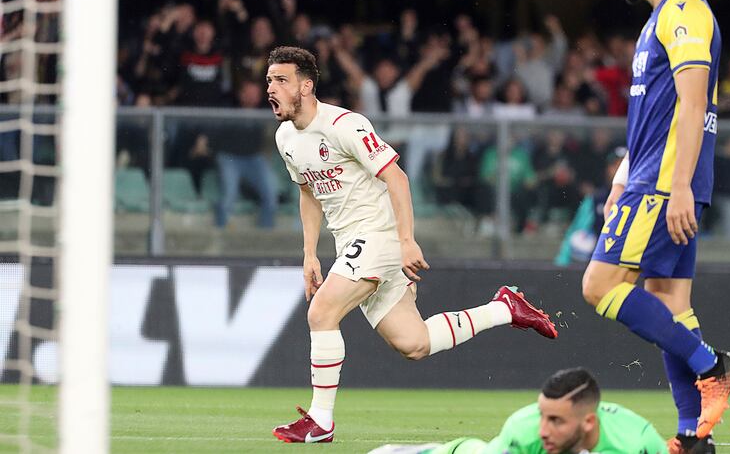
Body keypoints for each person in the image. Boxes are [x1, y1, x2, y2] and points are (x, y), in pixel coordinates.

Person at [267, 46, 558, 443]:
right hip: (351, 243)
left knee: (322, 313)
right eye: (269, 80)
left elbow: (397, 178)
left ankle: (321, 420)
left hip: (380, 237)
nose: (271, 88)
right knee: (414, 343)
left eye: (281, 80)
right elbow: (309, 195)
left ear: (306, 86)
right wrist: (308, 254)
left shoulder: (344, 125)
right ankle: (504, 308)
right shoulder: (286, 137)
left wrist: (405, 241)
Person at [580, 0, 730, 453]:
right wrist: (621, 176)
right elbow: (654, 117)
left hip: (664, 184)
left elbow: (695, 107)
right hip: (650, 178)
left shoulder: (684, 11)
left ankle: (712, 365)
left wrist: (676, 187)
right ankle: (694, 436)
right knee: (668, 300)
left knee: (599, 286)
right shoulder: (657, 22)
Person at [369, 367, 667, 454]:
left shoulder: (640, 443)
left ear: (588, 422)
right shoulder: (523, 432)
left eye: (556, 421)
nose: (543, 430)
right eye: (542, 415)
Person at [212, 79, 277, 229]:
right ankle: (220, 234)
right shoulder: (228, 107)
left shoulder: (265, 109)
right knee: (229, 195)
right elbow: (216, 136)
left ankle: (265, 237)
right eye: (248, 94)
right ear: (240, 94)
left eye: (255, 94)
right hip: (229, 157)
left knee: (271, 193)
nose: (252, 97)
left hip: (253, 157)